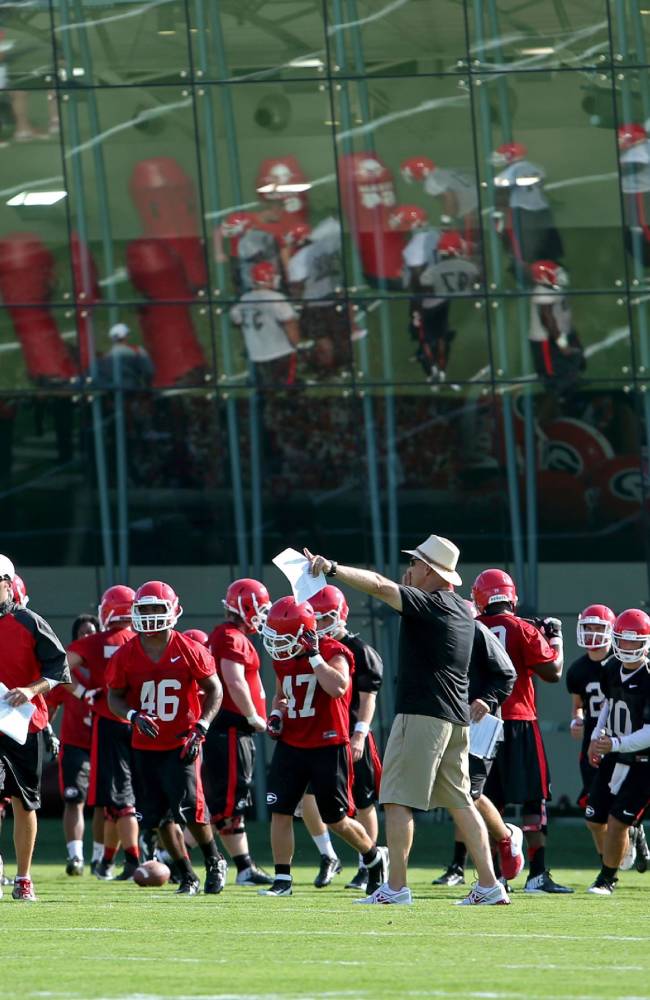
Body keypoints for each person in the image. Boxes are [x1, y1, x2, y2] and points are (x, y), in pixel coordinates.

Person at [305, 536, 509, 906]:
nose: (409, 569)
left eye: (415, 563)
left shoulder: (429, 604)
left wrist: (332, 568)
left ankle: (396, 888)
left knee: (398, 800)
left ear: (431, 570)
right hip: (455, 719)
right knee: (463, 801)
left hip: (423, 716)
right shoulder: (463, 610)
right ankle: (491, 885)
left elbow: (382, 586)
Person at [260, 596, 388, 899]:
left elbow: (338, 687)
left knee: (336, 818)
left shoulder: (334, 651)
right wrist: (277, 714)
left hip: (328, 743)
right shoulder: (283, 655)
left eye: (283, 634)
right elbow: (281, 695)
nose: (277, 642)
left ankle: (373, 855)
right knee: (280, 810)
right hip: (292, 742)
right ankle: (282, 879)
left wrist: (315, 656)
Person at [107, 580, 227, 896]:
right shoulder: (125, 655)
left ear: (172, 611)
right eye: (143, 609)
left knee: (191, 809)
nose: (148, 615)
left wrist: (201, 726)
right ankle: (187, 875)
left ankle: (214, 861)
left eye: (155, 609)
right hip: (145, 745)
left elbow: (215, 689)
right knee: (158, 817)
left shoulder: (190, 649)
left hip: (182, 741)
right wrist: (133, 716)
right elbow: (114, 697)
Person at [473, 568, 573, 894]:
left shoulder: (470, 629)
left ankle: (495, 876)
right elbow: (553, 671)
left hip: (483, 723)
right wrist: (554, 636)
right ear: (510, 596)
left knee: (488, 801)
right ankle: (537, 874)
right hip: (520, 720)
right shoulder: (522, 629)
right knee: (534, 799)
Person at [432, 616, 522, 889]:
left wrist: (487, 698)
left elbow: (507, 674)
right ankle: (492, 861)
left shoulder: (476, 631)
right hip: (450, 720)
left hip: (481, 723)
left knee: (469, 792)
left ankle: (503, 843)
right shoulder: (433, 634)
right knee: (456, 791)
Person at [0, 553, 70, 901]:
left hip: (23, 725)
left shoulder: (29, 621)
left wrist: (30, 690)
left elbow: (59, 670)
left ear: (9, 585)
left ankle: (23, 876)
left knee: (23, 803)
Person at [307, 584, 384, 892]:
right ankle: (328, 855)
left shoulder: (361, 650)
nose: (321, 626)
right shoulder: (310, 646)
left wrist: (360, 734)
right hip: (317, 736)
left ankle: (369, 861)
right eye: (316, 619)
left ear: (341, 615)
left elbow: (368, 699)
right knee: (309, 798)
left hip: (350, 733)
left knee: (363, 801)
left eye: (326, 618)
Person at [204, 578, 273, 887]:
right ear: (246, 606)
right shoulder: (231, 637)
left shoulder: (232, 635)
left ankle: (245, 868)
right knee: (227, 802)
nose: (264, 614)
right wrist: (253, 715)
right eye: (261, 608)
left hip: (232, 729)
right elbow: (234, 680)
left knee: (231, 801)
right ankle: (169, 856)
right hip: (231, 727)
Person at [67, 584, 138, 880]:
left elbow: (61, 668)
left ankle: (134, 858)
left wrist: (84, 692)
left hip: (109, 723)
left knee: (121, 801)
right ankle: (107, 861)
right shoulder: (144, 640)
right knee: (118, 799)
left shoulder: (95, 643)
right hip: (142, 724)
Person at [586, 609, 650, 895]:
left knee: (616, 821)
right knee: (594, 819)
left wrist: (615, 744)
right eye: (622, 641)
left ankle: (607, 879)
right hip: (614, 753)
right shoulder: (610, 668)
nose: (626, 647)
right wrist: (595, 736)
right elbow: (608, 706)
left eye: (633, 642)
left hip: (644, 760)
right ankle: (628, 839)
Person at [46, 613, 101, 876]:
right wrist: (47, 732)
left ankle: (103, 859)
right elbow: (50, 704)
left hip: (106, 742)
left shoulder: (111, 668)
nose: (88, 638)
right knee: (74, 799)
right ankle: (76, 857)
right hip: (76, 743)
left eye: (92, 633)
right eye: (83, 635)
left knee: (109, 804)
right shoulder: (71, 673)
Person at [418, 231, 480, 383]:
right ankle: (441, 368)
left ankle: (434, 367)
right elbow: (478, 282)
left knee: (428, 338)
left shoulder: (432, 271)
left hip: (438, 307)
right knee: (442, 339)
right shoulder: (471, 267)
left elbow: (424, 286)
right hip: (464, 308)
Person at [229, 262, 302, 386]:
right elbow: (290, 323)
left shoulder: (244, 299)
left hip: (256, 355)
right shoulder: (276, 298)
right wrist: (296, 346)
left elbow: (235, 318)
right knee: (290, 386)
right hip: (281, 352)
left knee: (266, 389)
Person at [529, 260, 585, 414]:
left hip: (562, 336)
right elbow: (548, 320)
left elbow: (562, 316)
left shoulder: (555, 289)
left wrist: (573, 338)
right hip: (548, 343)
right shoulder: (542, 292)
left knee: (571, 376)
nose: (561, 276)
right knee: (555, 383)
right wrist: (561, 343)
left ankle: (565, 410)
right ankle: (544, 421)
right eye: (557, 273)